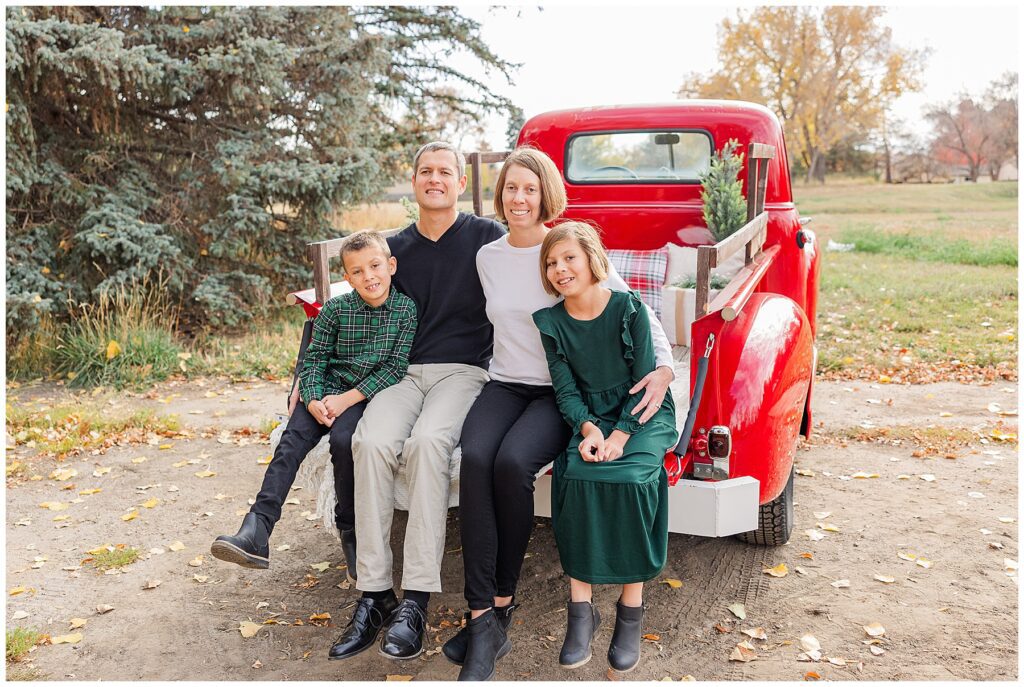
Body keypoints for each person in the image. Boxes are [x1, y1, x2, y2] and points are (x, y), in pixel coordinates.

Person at [445, 148, 675, 681]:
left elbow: (635, 314)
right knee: (476, 456)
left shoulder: (568, 250)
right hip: (504, 384)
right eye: (510, 188)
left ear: (545, 192)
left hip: (558, 392)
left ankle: (508, 599)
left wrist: (664, 369)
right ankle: (484, 618)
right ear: (499, 196)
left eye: (529, 188)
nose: (519, 198)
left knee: (511, 465)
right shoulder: (488, 257)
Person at [327, 142, 506, 662]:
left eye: (444, 172)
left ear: (459, 182)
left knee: (429, 442)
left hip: (463, 370)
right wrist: (309, 376)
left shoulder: (486, 237)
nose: (435, 179)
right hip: (402, 372)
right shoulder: (394, 248)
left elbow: (528, 269)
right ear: (414, 181)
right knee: (372, 440)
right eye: (425, 171)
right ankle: (376, 592)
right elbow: (352, 307)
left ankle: (418, 599)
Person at [211, 231, 417, 574]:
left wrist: (346, 400)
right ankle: (257, 529)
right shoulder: (336, 309)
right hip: (324, 392)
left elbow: (395, 368)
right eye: (357, 271)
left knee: (343, 442)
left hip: (363, 397)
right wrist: (311, 399)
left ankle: (349, 531)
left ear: (391, 265)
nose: (369, 276)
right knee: (291, 442)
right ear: (347, 278)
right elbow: (315, 358)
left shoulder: (405, 311)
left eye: (375, 266)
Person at [531, 221, 677, 674]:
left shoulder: (628, 309)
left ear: (593, 258)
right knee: (576, 475)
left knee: (630, 479)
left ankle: (629, 610)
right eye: (552, 263)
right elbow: (566, 390)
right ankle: (581, 610)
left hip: (641, 413)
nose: (560, 269)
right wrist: (590, 431)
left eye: (569, 258)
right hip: (591, 415)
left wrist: (619, 435)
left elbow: (646, 379)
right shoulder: (551, 322)